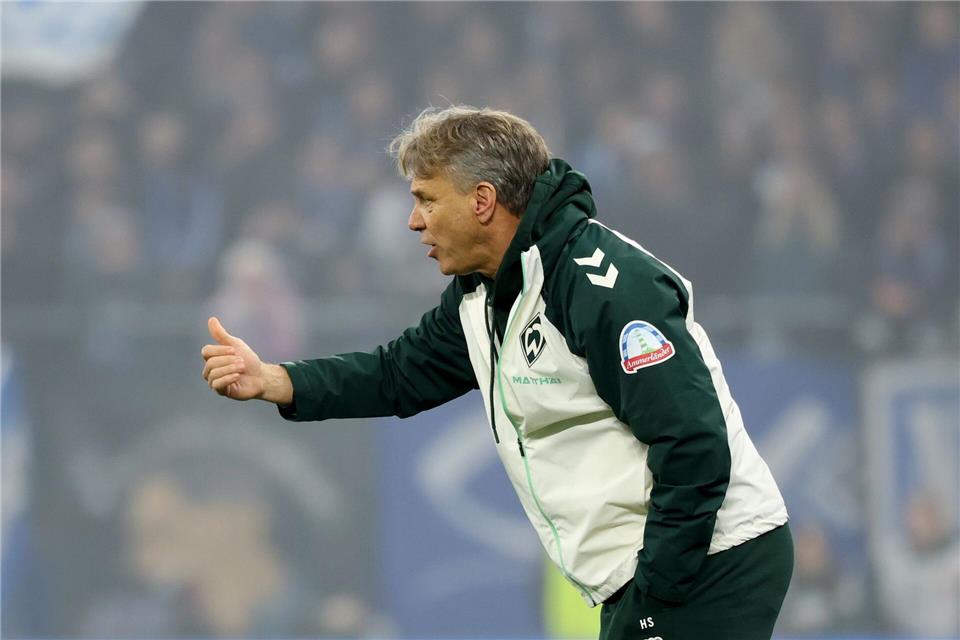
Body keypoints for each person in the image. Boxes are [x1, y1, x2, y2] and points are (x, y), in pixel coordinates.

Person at [201, 106, 793, 640]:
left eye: (427, 199)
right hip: (661, 570)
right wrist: (277, 379)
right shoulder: (483, 293)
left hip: (712, 558)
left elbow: (692, 443)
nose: (413, 221)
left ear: (482, 200)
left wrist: (656, 593)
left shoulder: (600, 285)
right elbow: (399, 372)